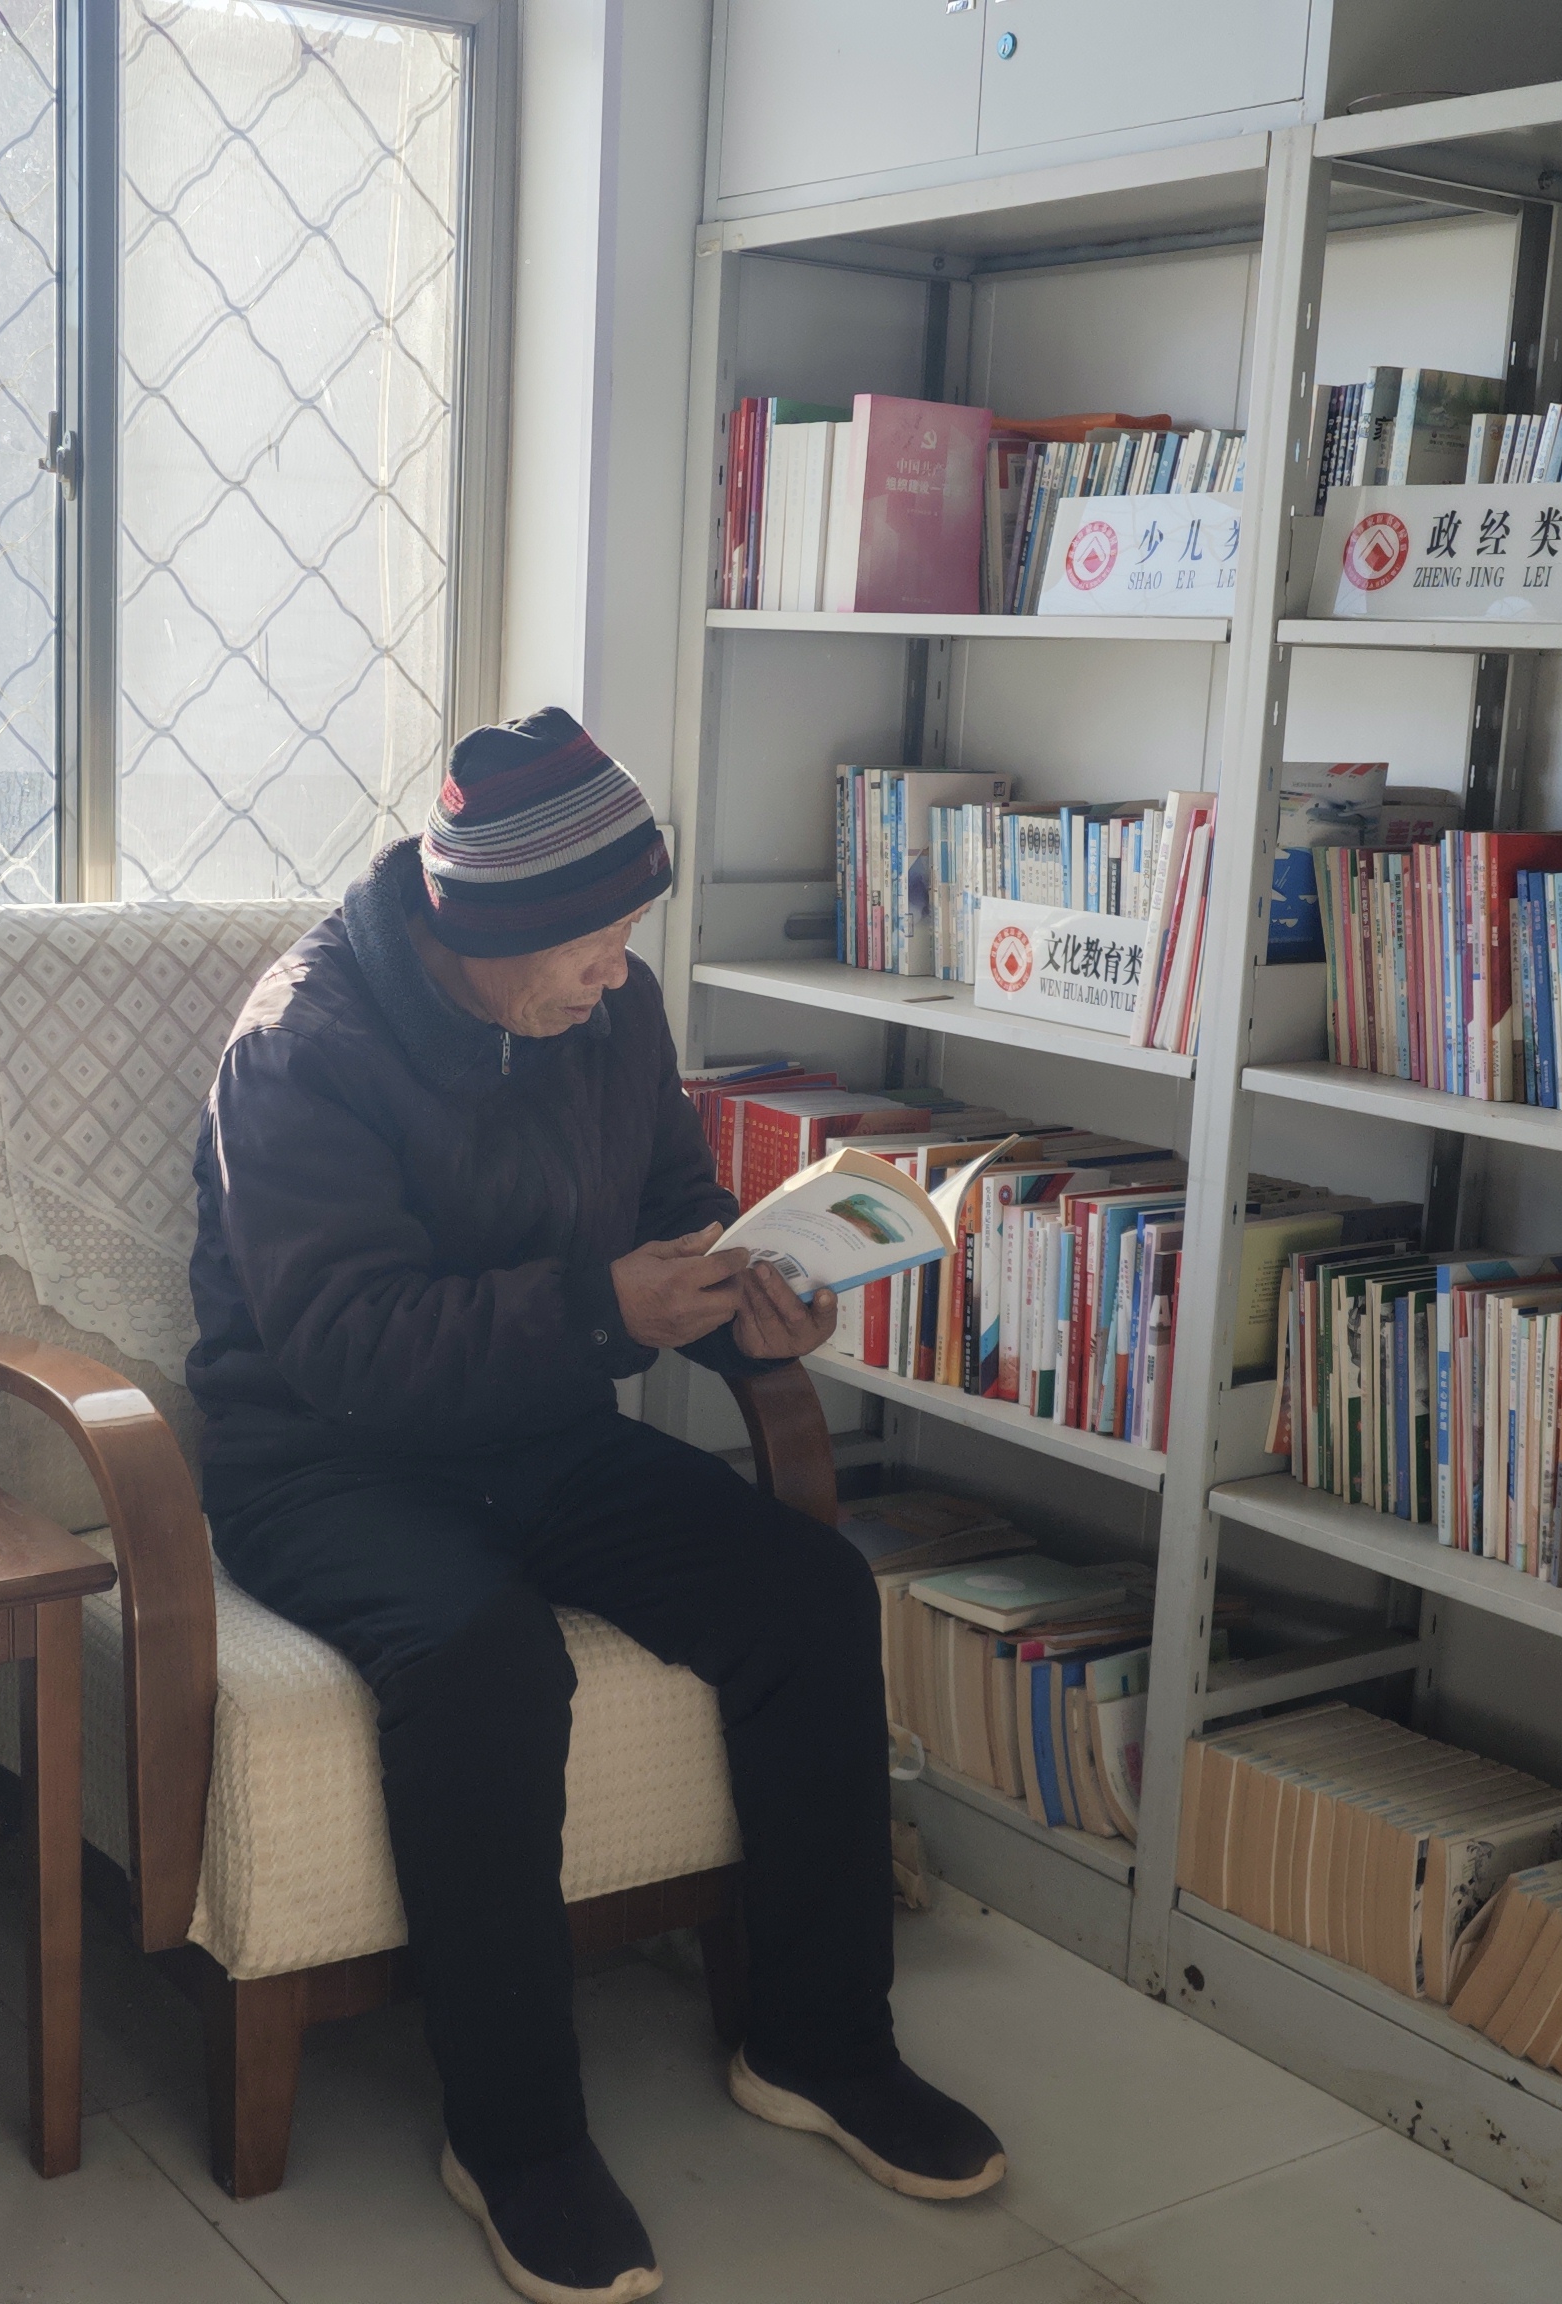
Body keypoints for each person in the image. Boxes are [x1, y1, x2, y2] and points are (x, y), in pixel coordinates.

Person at [185, 707, 1006, 2304]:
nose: (619, 972)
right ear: (477, 928)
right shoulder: (302, 1043)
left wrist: (755, 1300)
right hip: (325, 1460)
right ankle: (515, 2139)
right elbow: (346, 1346)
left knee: (808, 1594)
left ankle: (819, 2044)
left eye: (631, 931)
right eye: (590, 940)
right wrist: (596, 1310)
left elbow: (672, 1203)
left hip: (542, 1424)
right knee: (483, 1656)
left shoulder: (606, 1012)